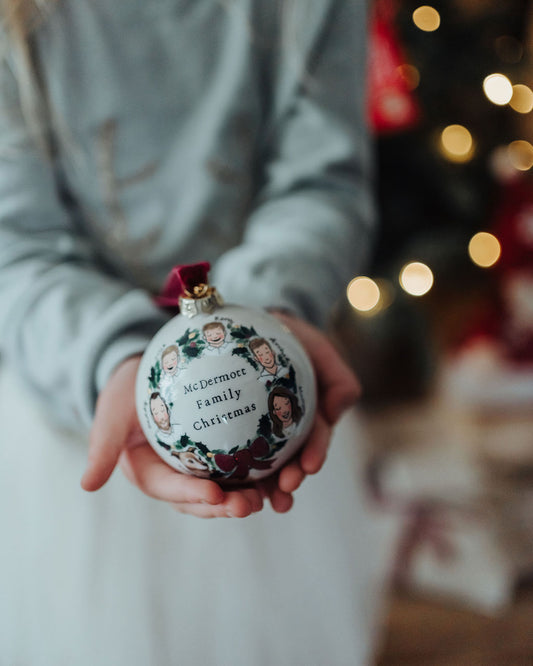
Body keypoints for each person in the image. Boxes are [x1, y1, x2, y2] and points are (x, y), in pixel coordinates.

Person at [0, 1, 387, 665]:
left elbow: (321, 181)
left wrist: (263, 321)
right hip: (76, 409)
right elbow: (14, 244)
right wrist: (116, 355)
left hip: (267, 399)